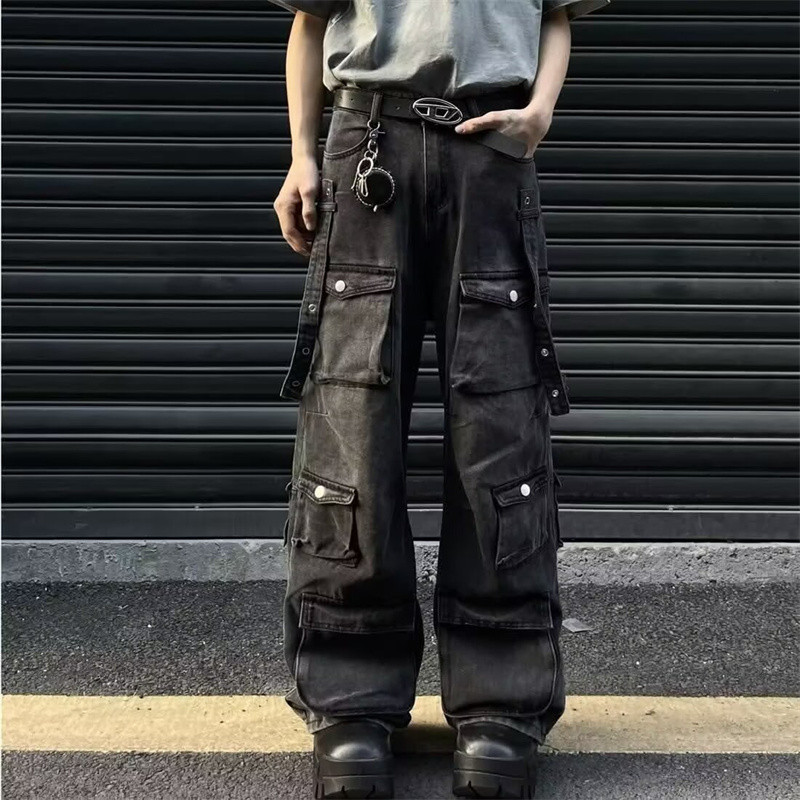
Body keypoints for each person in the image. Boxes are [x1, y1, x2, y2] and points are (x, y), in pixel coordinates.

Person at [269, 1, 609, 797]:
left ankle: (502, 702)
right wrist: (301, 156)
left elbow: (556, 14)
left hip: (491, 148)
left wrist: (540, 113)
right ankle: (350, 700)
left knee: (498, 417)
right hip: (367, 141)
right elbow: (311, 21)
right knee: (352, 420)